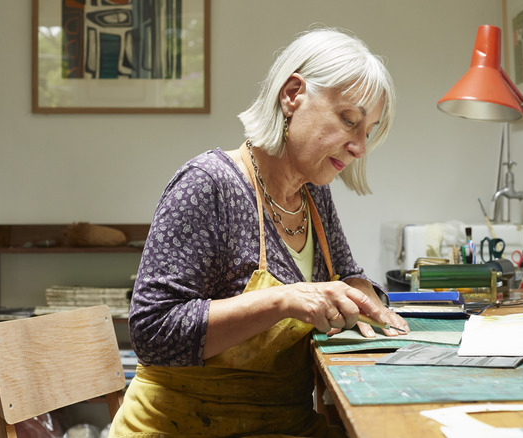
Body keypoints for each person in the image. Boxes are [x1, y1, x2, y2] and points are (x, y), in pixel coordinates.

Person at [109, 27, 408, 438]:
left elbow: (345, 276)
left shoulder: (312, 195)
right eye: (349, 120)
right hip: (183, 429)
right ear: (292, 95)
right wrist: (283, 300)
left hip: (283, 423)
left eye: (368, 131)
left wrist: (362, 292)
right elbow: (152, 332)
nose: (360, 146)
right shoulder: (209, 184)